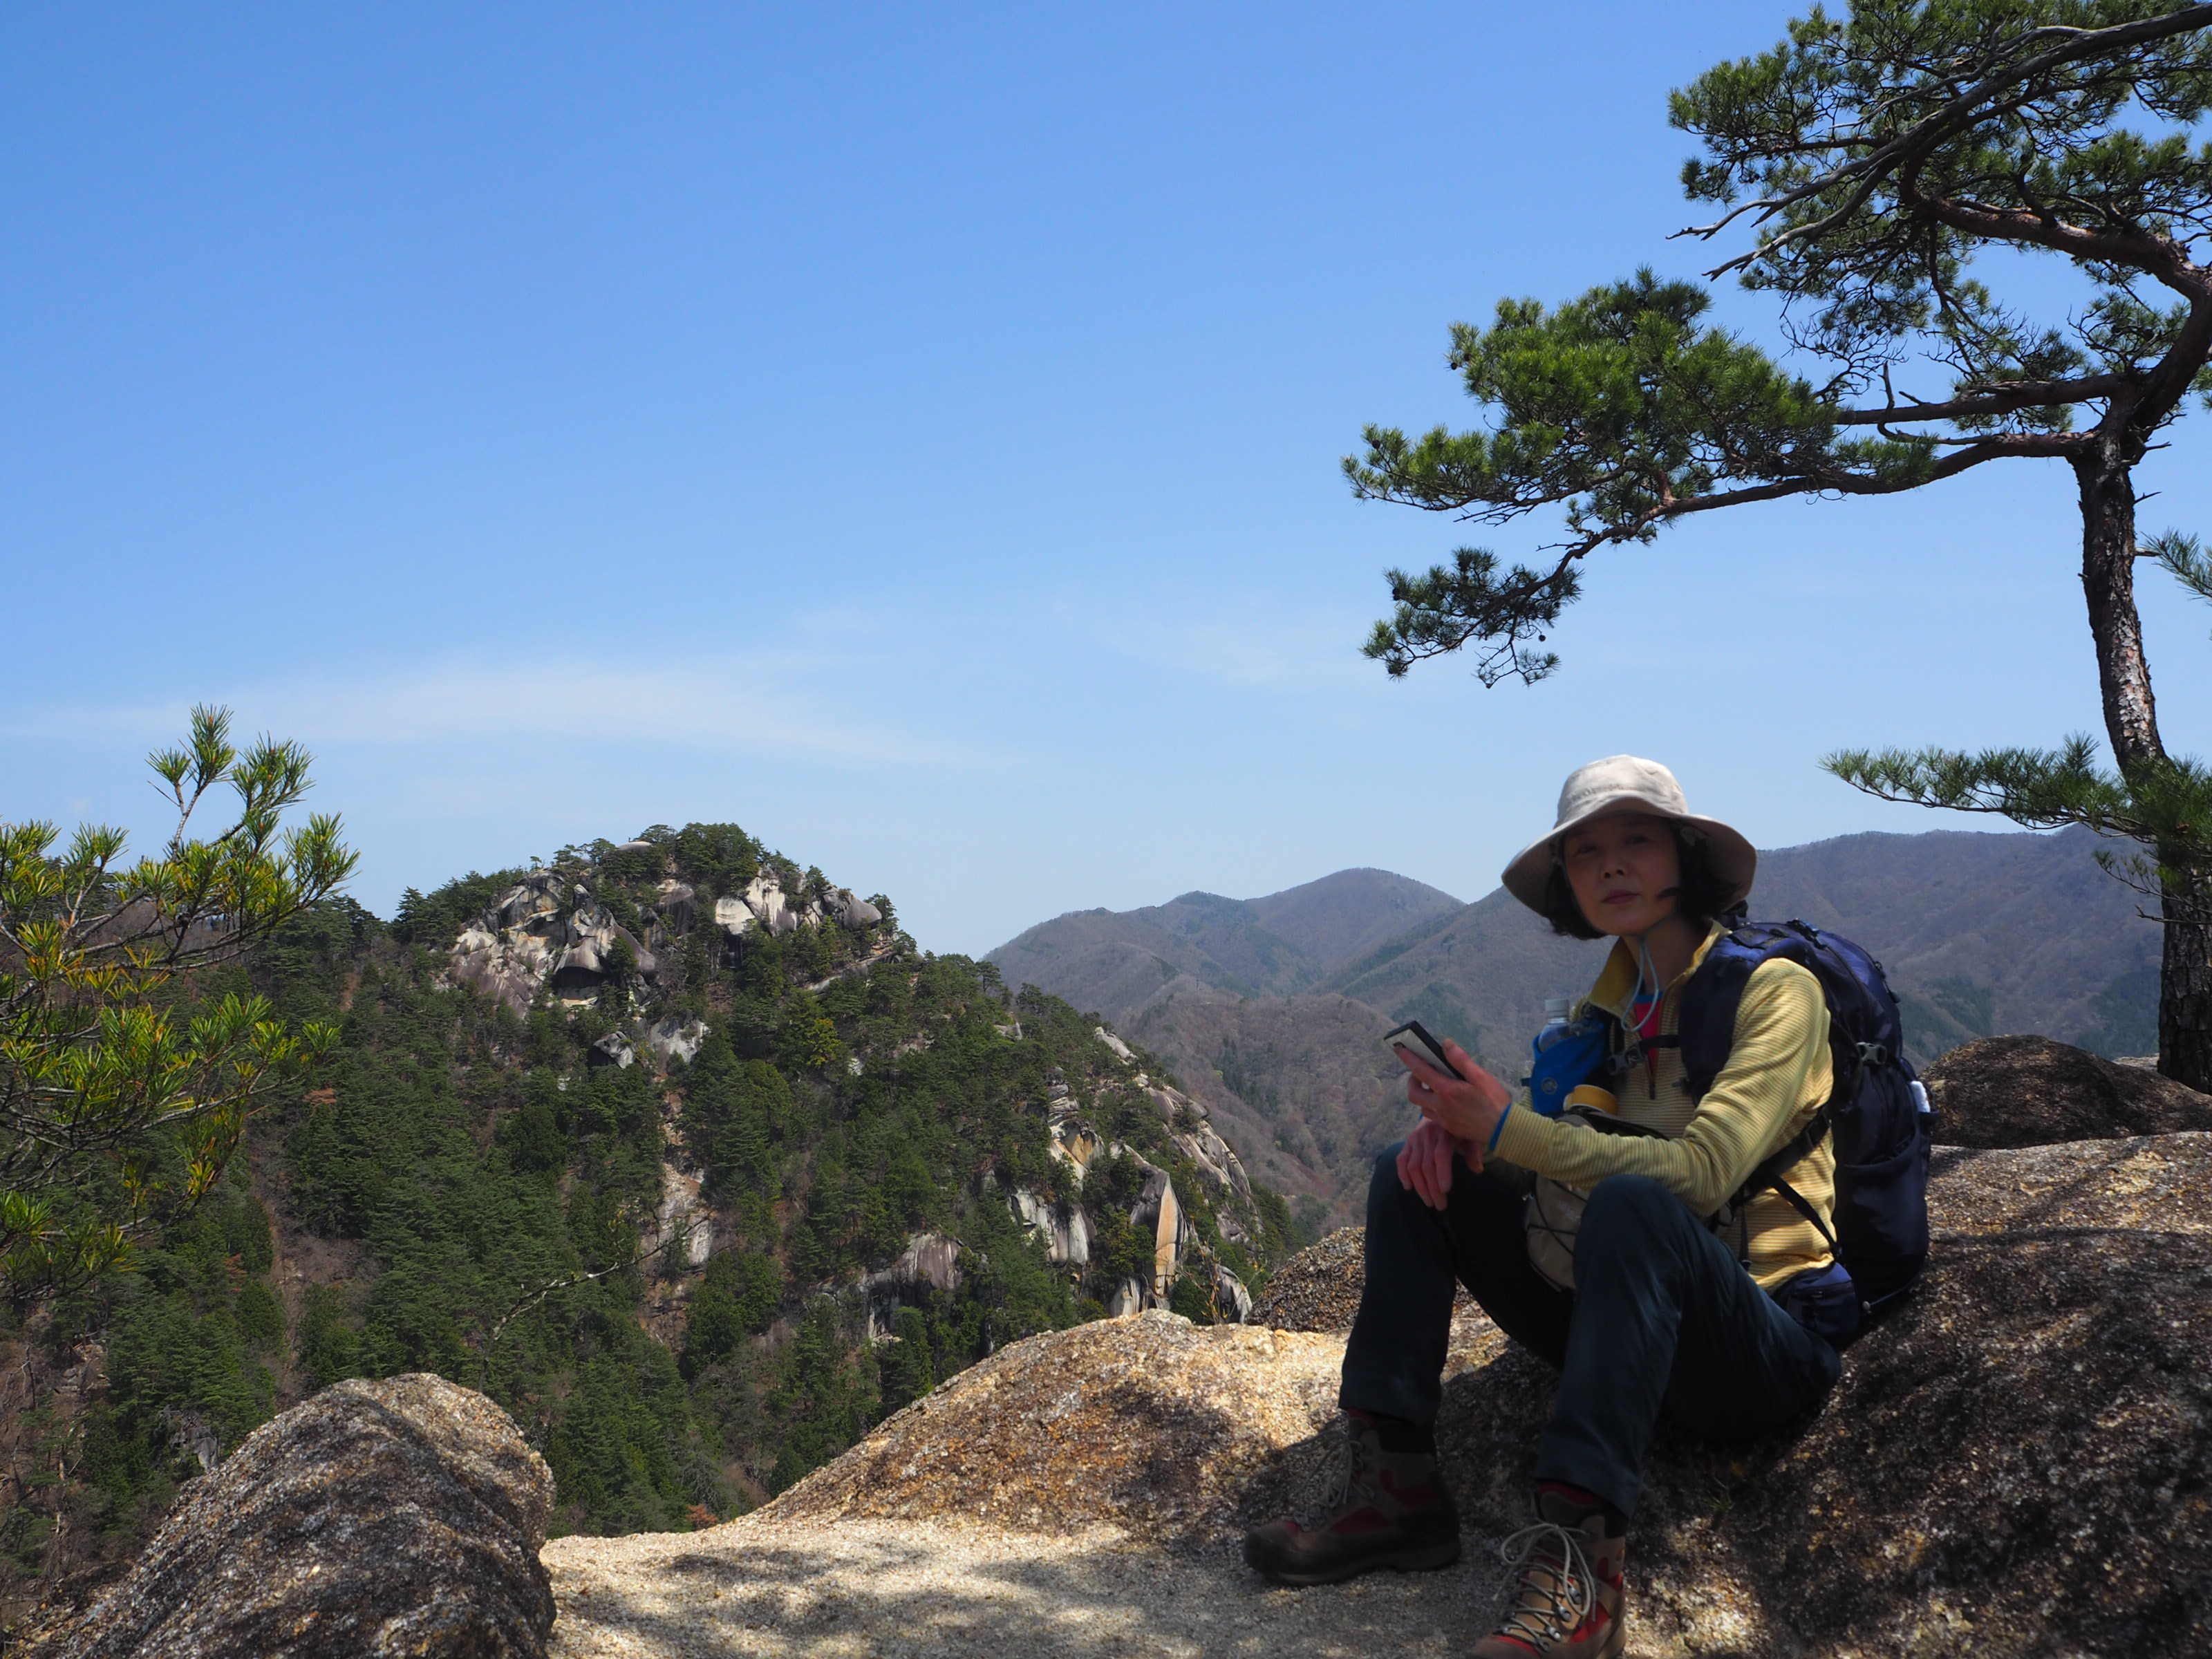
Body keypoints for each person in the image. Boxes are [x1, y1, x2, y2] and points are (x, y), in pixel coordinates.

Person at [1244, 756, 1847, 1659]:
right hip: (1626, 1324)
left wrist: (1513, 1130)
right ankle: (1396, 1491)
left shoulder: (1776, 993)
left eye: (1636, 841)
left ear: (1685, 856)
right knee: (1408, 1173)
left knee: (1639, 1205)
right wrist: (1475, 1141)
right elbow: (1564, 1175)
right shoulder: (1605, 1013)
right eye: (1587, 851)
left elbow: (1702, 1175)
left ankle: (1582, 1571)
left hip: (1755, 1339)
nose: (1611, 865)